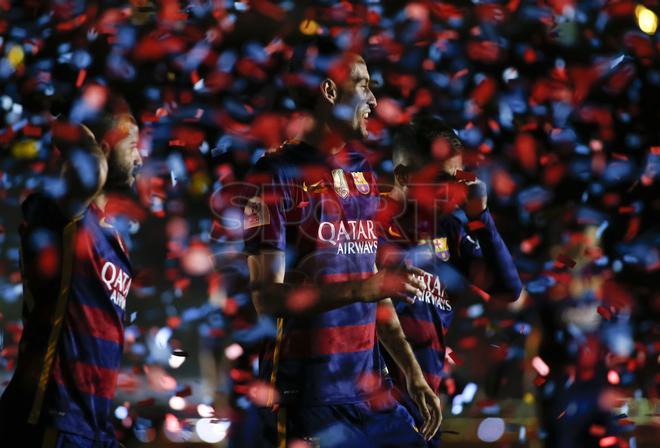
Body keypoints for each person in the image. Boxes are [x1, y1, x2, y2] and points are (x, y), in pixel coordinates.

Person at [239, 49, 441, 447]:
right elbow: (267, 298)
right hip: (307, 401)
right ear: (330, 90)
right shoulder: (274, 174)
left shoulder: (362, 171)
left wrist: (412, 374)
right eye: (364, 86)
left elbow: (377, 289)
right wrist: (367, 288)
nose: (374, 102)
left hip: (372, 395)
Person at [0, 94, 142, 447]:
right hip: (52, 417)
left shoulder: (115, 240)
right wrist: (70, 123)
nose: (141, 158)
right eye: (133, 145)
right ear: (105, 147)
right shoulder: (58, 210)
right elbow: (88, 173)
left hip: (93, 424)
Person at [377, 115, 523, 446]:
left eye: (458, 179)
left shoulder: (448, 231)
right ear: (403, 176)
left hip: (426, 410)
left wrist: (480, 218)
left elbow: (508, 288)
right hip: (377, 410)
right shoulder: (370, 229)